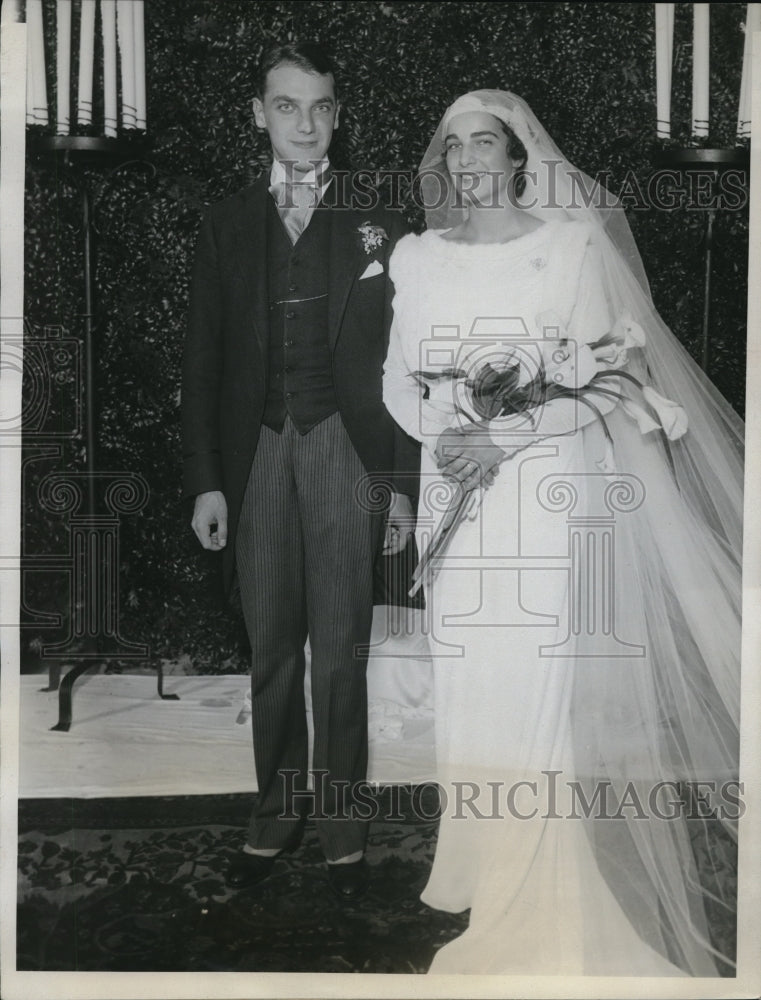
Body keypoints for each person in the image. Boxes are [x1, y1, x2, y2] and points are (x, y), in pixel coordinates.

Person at [383, 90, 742, 973]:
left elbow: (601, 385)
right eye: (453, 145)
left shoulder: (570, 247)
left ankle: (533, 897)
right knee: (468, 684)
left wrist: (499, 437)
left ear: (517, 158)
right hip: (450, 486)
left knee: (530, 686)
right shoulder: (417, 256)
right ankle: (479, 869)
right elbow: (396, 378)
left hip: (539, 493)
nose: (467, 159)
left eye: (484, 143)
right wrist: (447, 435)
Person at [181, 41, 417, 901]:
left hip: (344, 446)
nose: (305, 124)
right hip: (256, 452)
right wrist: (207, 479)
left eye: (320, 107)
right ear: (259, 115)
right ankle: (277, 811)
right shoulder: (225, 223)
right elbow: (202, 362)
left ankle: (343, 822)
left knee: (340, 651)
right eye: (286, 106)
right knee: (272, 647)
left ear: (337, 115)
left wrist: (399, 487)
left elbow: (409, 365)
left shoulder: (382, 221)